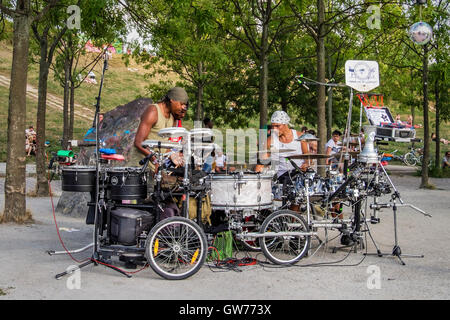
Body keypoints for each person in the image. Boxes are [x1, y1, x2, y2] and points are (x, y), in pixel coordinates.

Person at [131, 86, 189, 168]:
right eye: (181, 104)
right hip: (140, 167)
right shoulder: (153, 111)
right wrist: (155, 161)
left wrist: (173, 155)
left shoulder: (172, 118)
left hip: (155, 168)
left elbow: (164, 145)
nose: (183, 108)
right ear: (172, 100)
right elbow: (139, 142)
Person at [255, 111, 309, 178]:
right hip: (281, 179)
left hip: (300, 176)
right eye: (273, 126)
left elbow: (307, 155)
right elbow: (261, 163)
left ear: (285, 124)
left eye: (277, 126)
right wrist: (255, 180)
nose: (274, 129)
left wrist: (306, 164)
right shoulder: (270, 141)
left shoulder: (300, 136)